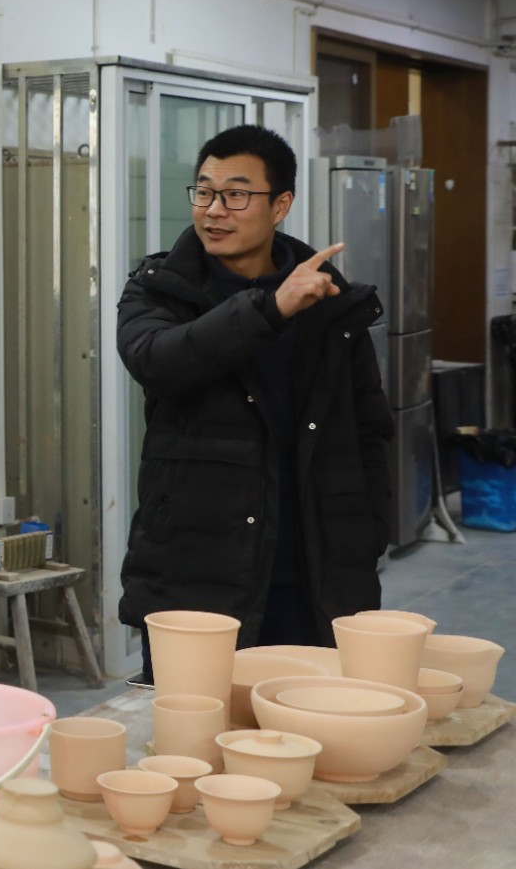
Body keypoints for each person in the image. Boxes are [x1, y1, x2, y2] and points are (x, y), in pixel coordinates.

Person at [118, 124, 392, 676]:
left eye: (236, 195)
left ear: (280, 205)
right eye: (204, 192)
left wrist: (366, 538)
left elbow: (370, 429)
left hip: (313, 573)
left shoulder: (330, 304)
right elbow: (159, 361)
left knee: (308, 716)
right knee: (191, 719)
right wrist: (271, 309)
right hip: (195, 571)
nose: (214, 211)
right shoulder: (159, 287)